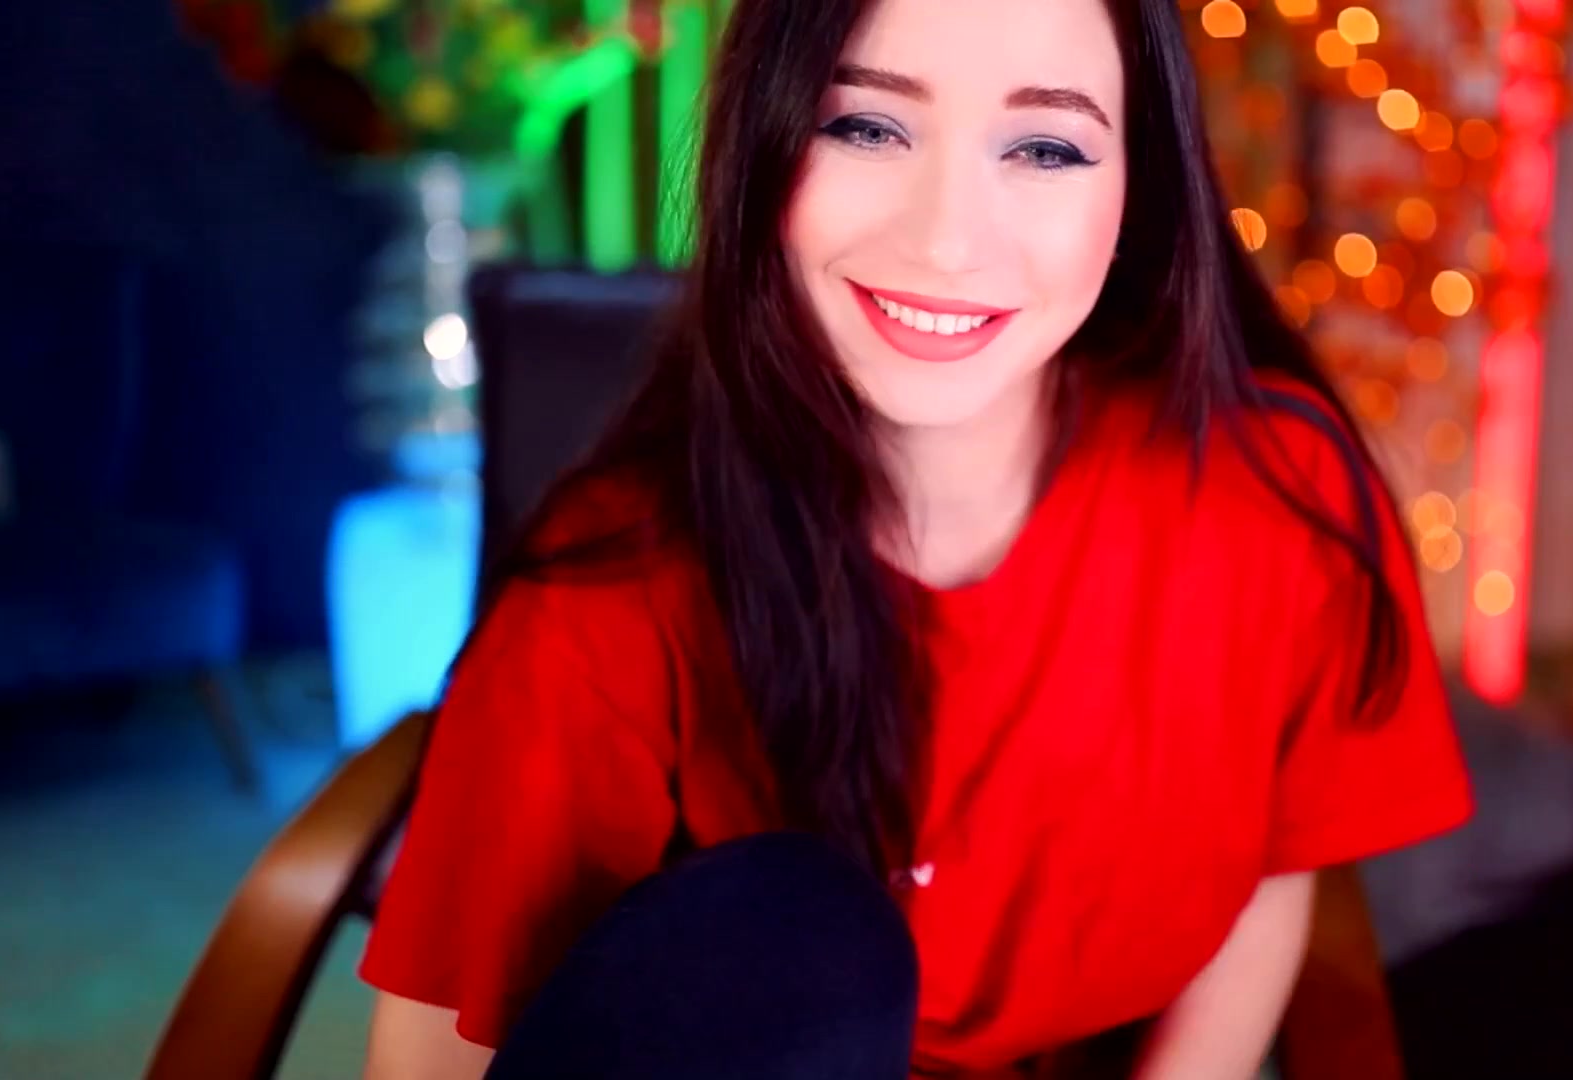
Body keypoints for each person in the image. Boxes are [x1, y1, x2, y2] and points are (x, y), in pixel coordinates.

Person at [360, 0, 1475, 1076]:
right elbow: (439, 1059)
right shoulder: (605, 600)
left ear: (1141, 184)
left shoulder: (1274, 494)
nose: (946, 241)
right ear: (763, 146)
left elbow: (1277, 866)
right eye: (866, 126)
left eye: (1045, 148)